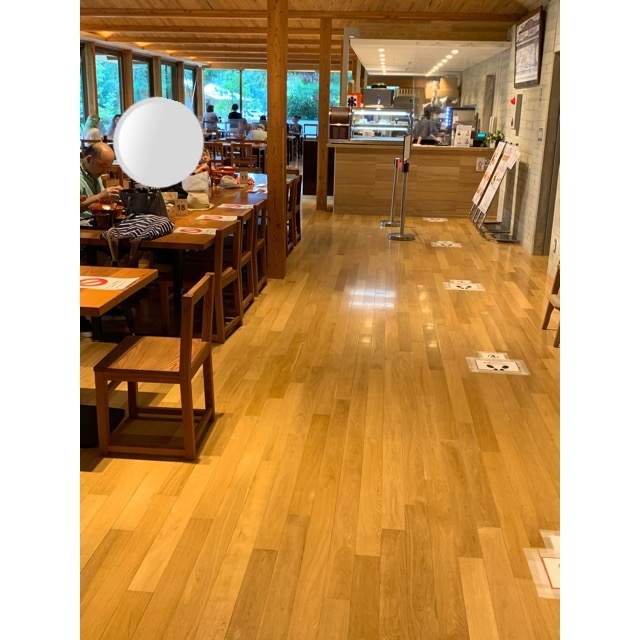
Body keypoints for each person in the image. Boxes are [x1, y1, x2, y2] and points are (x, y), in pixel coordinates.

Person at [80, 142, 121, 221]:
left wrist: (112, 195)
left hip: (96, 218)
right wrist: (100, 196)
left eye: (107, 168)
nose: (104, 172)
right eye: (102, 166)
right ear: (89, 159)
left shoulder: (94, 172)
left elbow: (101, 200)